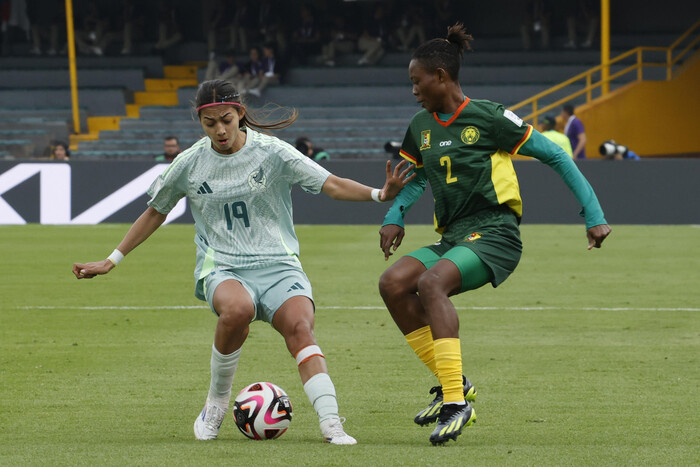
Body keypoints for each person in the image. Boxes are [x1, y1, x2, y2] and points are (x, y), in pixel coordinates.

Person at [72, 79, 414, 445]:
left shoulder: (272, 153)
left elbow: (329, 183)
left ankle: (331, 423)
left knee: (301, 329)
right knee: (237, 310)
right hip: (223, 267)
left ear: (240, 115)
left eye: (226, 120)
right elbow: (156, 211)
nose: (219, 130)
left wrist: (379, 195)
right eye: (210, 123)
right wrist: (112, 259)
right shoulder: (189, 163)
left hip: (279, 265)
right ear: (200, 122)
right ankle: (216, 404)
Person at [377, 24, 611, 446]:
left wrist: (593, 214)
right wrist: (395, 216)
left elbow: (556, 154)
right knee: (392, 283)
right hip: (454, 237)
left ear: (442, 77)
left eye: (417, 81)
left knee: (432, 284)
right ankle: (455, 385)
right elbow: (415, 179)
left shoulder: (489, 117)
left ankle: (454, 403)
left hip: (495, 233)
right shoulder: (420, 126)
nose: (413, 90)